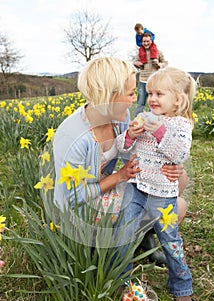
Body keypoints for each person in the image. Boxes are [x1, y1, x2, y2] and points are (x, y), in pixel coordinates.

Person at [52, 57, 186, 267]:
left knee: (178, 187)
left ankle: (140, 237)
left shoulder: (119, 118)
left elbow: (134, 153)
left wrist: (172, 165)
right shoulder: (72, 137)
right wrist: (119, 176)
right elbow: (71, 197)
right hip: (79, 207)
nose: (135, 99)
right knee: (175, 206)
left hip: (106, 187)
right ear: (110, 96)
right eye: (131, 93)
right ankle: (113, 248)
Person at [116, 67, 196, 301]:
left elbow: (180, 153)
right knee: (123, 232)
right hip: (137, 187)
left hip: (163, 194)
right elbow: (122, 151)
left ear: (178, 99)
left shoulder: (181, 125)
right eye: (150, 93)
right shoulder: (143, 117)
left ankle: (182, 286)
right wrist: (130, 135)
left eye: (159, 94)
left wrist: (159, 132)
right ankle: (121, 280)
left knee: (170, 240)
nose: (151, 99)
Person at [134, 32, 168, 115]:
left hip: (154, 82)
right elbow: (135, 62)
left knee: (153, 104)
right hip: (143, 81)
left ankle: (151, 121)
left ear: (151, 41)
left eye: (147, 41)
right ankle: (137, 122)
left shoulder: (157, 52)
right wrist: (136, 63)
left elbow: (165, 63)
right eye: (144, 41)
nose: (145, 43)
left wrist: (159, 64)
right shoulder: (140, 53)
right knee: (140, 104)